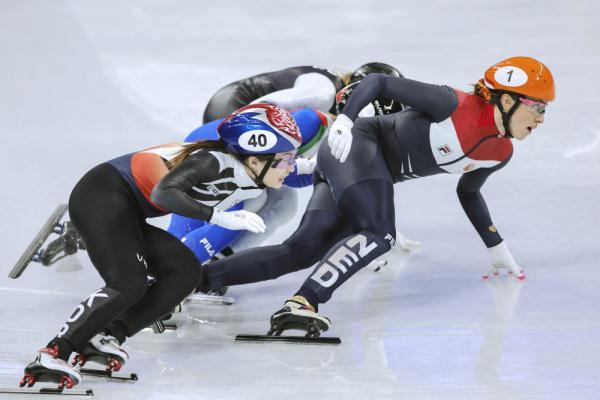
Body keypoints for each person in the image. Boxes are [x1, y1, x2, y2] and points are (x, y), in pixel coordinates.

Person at [198, 56, 555, 334]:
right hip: (355, 146)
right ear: (507, 100)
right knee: (379, 234)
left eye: (545, 110)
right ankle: (303, 301)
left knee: (301, 250)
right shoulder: (454, 104)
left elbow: (469, 193)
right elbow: (379, 82)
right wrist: (344, 121)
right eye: (537, 106)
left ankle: (192, 281)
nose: (541, 118)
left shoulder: (499, 153)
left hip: (360, 170)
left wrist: (497, 249)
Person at [20, 103, 302, 389]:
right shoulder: (212, 162)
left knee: (185, 271)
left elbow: (303, 169)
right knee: (128, 283)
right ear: (255, 159)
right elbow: (164, 192)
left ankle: (106, 335)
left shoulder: (254, 170)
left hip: (126, 208)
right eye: (285, 159)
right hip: (100, 194)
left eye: (292, 158)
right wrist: (220, 217)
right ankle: (54, 352)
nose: (290, 166)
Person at [202, 62, 403, 123]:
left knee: (281, 203)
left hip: (235, 106)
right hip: (233, 106)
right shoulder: (324, 92)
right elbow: (269, 103)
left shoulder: (335, 95)